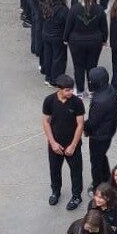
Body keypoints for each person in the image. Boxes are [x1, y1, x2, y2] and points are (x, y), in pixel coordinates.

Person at [43, 77, 86, 210]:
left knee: (76, 171)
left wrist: (73, 145)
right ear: (59, 89)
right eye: (67, 90)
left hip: (72, 145)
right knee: (54, 169)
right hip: (55, 144)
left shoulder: (77, 103)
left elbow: (80, 125)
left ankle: (76, 196)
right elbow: (46, 122)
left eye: (71, 89)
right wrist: (52, 142)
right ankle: (55, 192)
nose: (70, 92)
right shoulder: (49, 101)